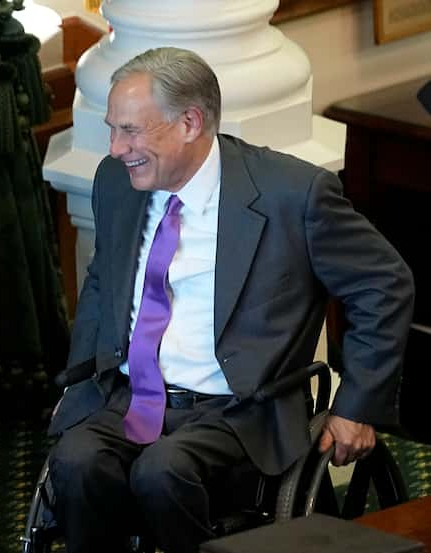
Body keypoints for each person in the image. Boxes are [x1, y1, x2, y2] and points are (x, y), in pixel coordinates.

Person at [46, 47, 414, 553]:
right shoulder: (118, 183)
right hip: (130, 398)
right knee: (75, 460)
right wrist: (83, 376)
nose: (114, 148)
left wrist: (357, 405)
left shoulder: (292, 194)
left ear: (190, 123)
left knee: (162, 472)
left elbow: (384, 283)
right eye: (112, 129)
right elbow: (102, 282)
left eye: (130, 131)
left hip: (239, 411)